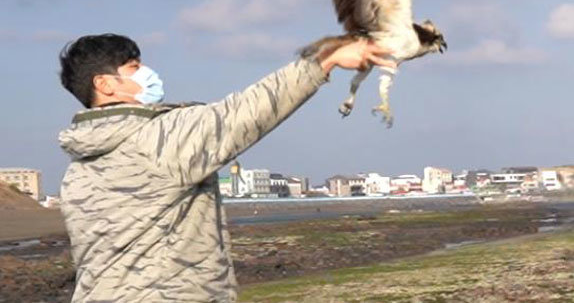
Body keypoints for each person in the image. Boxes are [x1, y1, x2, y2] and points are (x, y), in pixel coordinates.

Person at [58, 33, 393, 302]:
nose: (148, 73)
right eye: (134, 67)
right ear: (105, 84)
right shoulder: (157, 139)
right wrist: (326, 59)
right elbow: (244, 114)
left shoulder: (78, 169)